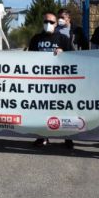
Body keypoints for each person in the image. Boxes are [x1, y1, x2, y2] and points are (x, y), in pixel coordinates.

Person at [29, 12, 74, 149]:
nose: (48, 24)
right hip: (41, 81)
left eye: (52, 22)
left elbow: (74, 58)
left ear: (56, 24)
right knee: (41, 109)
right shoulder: (36, 38)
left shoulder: (63, 38)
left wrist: (63, 53)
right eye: (46, 21)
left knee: (63, 109)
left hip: (59, 81)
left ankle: (68, 137)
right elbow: (29, 58)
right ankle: (42, 136)